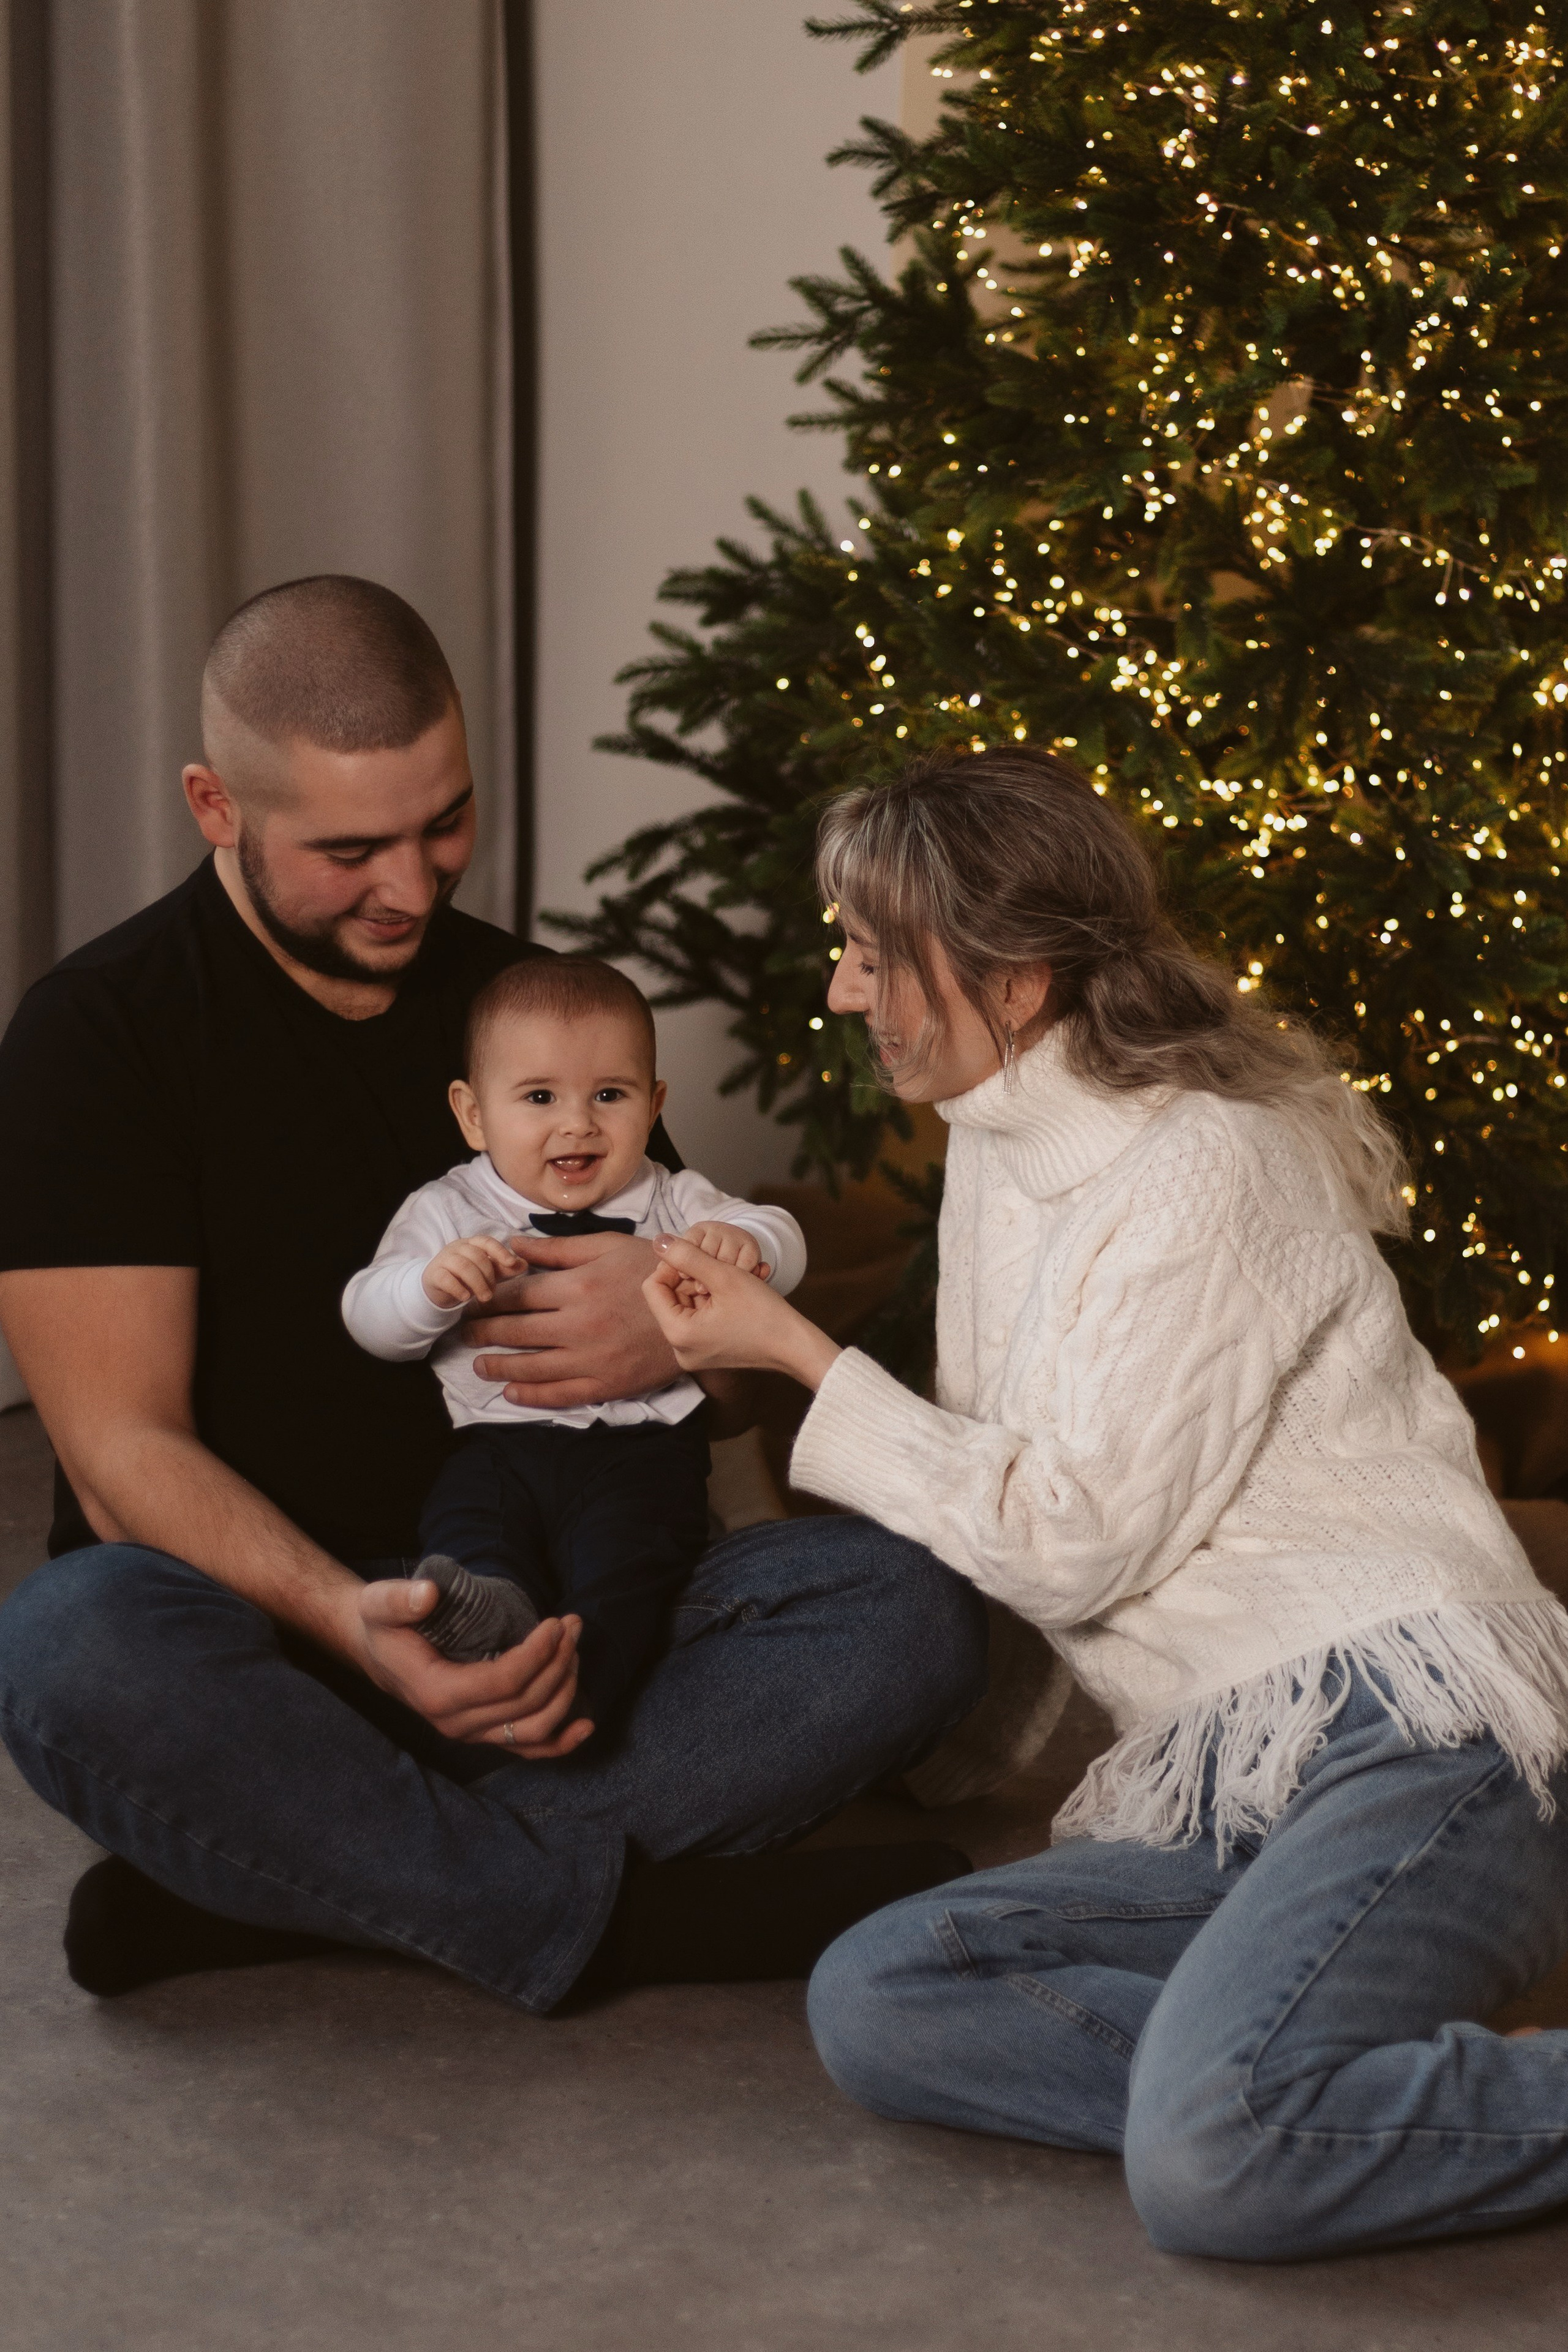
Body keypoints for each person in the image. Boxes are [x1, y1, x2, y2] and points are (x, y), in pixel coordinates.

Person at [638, 744, 1568, 2263]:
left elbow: (1067, 1534)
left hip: (1416, 1733)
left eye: (872, 954)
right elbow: (1005, 1500)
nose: (839, 992)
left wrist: (798, 1357)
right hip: (1236, 1785)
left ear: (1012, 982)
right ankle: (1322, 2070)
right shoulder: (1000, 1150)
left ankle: (1273, 2096)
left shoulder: (1207, 1161)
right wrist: (926, 1755)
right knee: (877, 1994)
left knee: (1210, 2163)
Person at [0, 575, 984, 2010]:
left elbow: (717, 1343)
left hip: (566, 1620)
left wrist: (669, 1333)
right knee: (67, 1645)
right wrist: (356, 1626)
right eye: (349, 849)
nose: (412, 885)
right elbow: (117, 1451)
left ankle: (310, 1884)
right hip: (278, 1645)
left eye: (443, 821)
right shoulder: (99, 1035)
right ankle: (616, 1919)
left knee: (911, 1612)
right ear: (216, 806)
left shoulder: (527, 1012)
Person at [342, 950, 807, 1735]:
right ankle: (490, 1621)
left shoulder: (671, 1196)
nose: (577, 1123)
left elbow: (785, 1238)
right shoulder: (448, 1208)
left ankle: (580, 1688)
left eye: (610, 1094)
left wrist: (742, 1241)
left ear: (653, 1103)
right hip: (497, 1447)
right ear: (473, 1114)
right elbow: (367, 1315)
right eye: (538, 1097)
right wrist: (427, 1287)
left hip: (644, 1452)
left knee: (629, 1570)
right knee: (468, 1538)